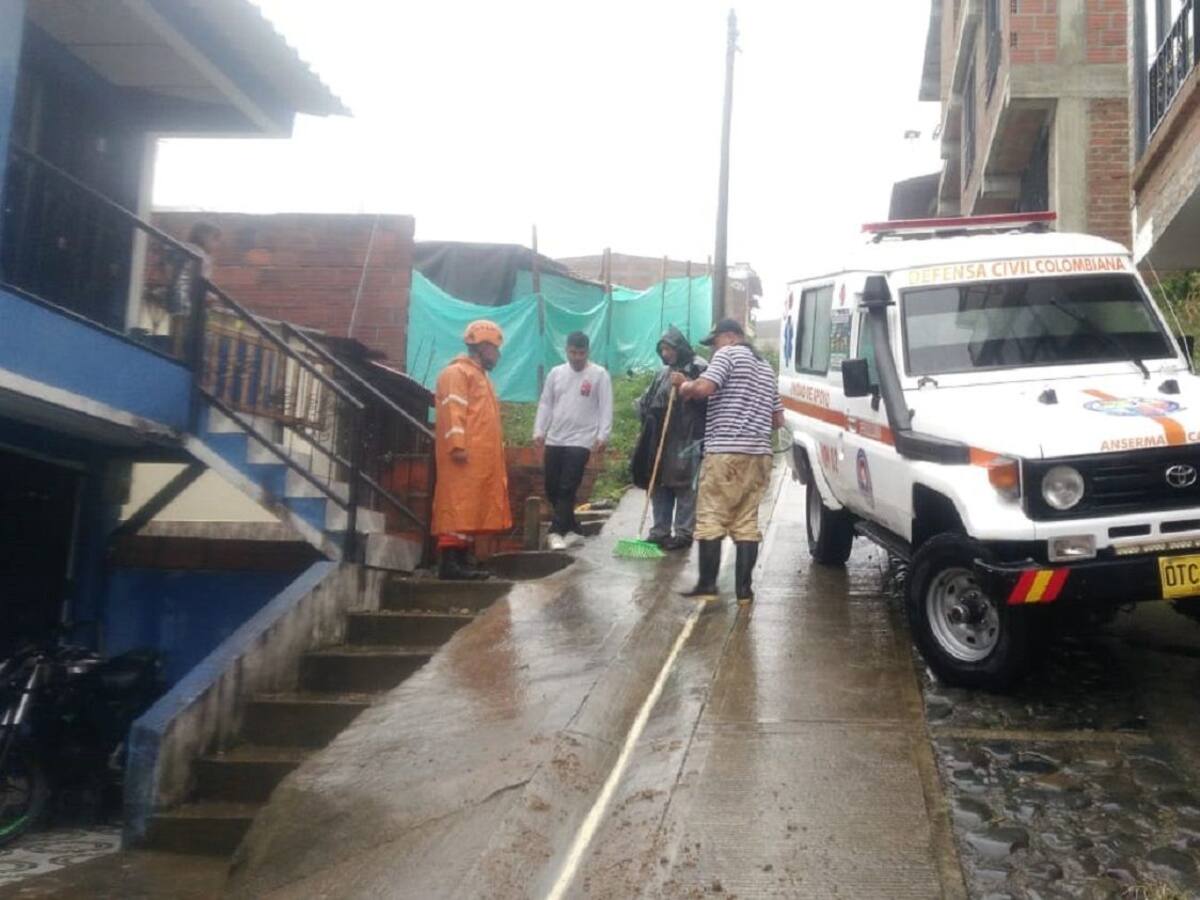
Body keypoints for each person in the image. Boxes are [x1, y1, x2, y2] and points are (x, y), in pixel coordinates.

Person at [673, 318, 783, 603]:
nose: (714, 349)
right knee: (746, 522)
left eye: (716, 342)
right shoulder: (765, 367)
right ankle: (744, 592)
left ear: (732, 337)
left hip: (725, 452)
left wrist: (684, 386)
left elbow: (704, 389)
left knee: (711, 516)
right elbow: (777, 420)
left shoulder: (728, 355)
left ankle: (707, 585)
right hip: (759, 454)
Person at [432, 320, 512, 580]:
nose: (498, 355)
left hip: (476, 457)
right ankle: (450, 564)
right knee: (457, 506)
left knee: (469, 508)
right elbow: (452, 411)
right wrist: (457, 445)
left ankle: (461, 560)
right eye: (496, 349)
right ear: (483, 346)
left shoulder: (480, 377)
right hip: (463, 455)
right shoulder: (456, 373)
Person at [533, 331, 613, 551]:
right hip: (555, 437)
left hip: (582, 439)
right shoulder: (556, 373)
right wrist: (539, 430)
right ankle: (573, 530)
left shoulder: (599, 375)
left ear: (588, 352)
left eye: (581, 353)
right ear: (566, 350)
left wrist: (602, 435)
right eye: (573, 352)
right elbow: (546, 403)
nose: (577, 357)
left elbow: (605, 406)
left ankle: (556, 531)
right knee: (551, 486)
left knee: (568, 485)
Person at [632, 327, 707, 550]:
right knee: (659, 482)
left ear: (679, 348)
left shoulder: (698, 367)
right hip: (661, 437)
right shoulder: (663, 373)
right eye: (662, 349)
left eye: (669, 349)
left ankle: (683, 532)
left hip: (687, 436)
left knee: (685, 484)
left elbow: (708, 400)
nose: (665, 354)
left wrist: (686, 383)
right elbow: (648, 400)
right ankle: (660, 531)